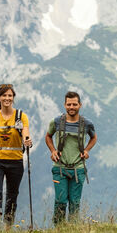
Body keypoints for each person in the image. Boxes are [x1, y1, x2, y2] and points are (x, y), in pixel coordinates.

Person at [0, 83, 33, 230]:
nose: (7, 98)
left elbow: (25, 132)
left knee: (12, 195)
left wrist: (26, 140)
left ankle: (7, 229)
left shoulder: (21, 116)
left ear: (13, 98)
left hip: (15, 161)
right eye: (4, 95)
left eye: (10, 95)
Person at [45, 90, 97, 224]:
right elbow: (48, 136)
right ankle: (58, 229)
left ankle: (73, 230)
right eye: (69, 104)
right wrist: (52, 151)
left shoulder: (87, 124)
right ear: (64, 105)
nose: (71, 107)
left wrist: (86, 150)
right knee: (61, 201)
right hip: (59, 168)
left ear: (80, 105)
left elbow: (94, 137)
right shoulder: (56, 122)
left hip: (78, 169)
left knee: (75, 202)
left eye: (74, 104)